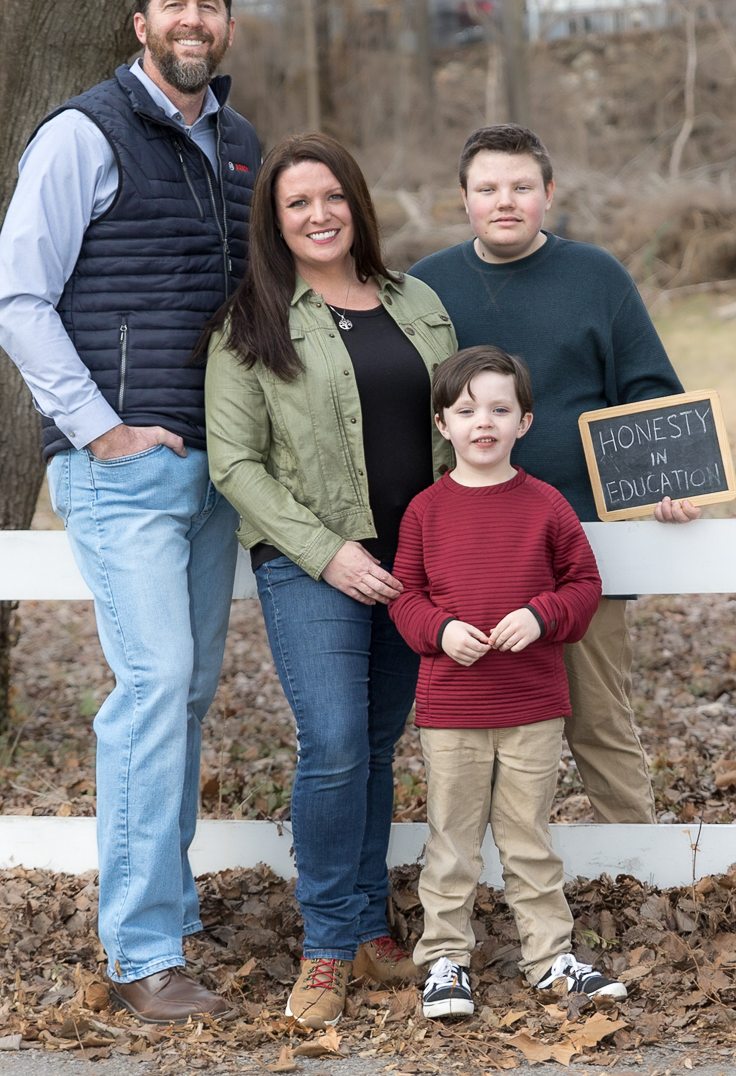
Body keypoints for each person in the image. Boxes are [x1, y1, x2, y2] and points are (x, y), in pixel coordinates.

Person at [0, 0, 261, 1022]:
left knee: (186, 693)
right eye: (174, 4)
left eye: (210, 5)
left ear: (227, 25)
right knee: (155, 687)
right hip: (124, 472)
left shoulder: (240, 146)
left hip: (214, 470)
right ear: (139, 22)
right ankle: (143, 951)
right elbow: (20, 298)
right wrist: (99, 429)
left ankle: (168, 912)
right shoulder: (83, 133)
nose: (193, 19)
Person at [204, 131, 457, 1028]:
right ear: (274, 221)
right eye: (297, 203)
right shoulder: (251, 324)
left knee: (378, 745)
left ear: (357, 203)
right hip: (314, 565)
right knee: (337, 741)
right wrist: (328, 552)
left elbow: (457, 420)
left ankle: (369, 931)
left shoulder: (417, 302)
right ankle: (325, 946)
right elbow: (235, 464)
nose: (319, 215)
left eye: (332, 197)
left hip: (411, 565)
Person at [409, 124, 700, 827]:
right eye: (487, 189)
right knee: (472, 732)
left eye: (521, 186)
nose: (504, 201)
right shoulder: (426, 287)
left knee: (599, 718)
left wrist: (667, 481)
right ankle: (480, 869)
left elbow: (651, 390)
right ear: (464, 198)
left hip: (582, 545)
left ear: (548, 192)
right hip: (466, 552)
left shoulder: (596, 276)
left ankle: (644, 863)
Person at [389, 346, 628, 1018]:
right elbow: (405, 597)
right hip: (453, 710)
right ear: (443, 424)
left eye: (500, 409)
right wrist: (440, 631)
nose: (483, 422)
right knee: (452, 842)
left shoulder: (546, 506)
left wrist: (540, 614)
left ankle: (550, 960)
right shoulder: (425, 511)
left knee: (529, 839)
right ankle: (445, 960)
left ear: (524, 421)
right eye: (467, 411)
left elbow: (584, 586)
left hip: (532, 706)